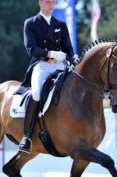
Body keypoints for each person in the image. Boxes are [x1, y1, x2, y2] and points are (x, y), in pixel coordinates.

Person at [18, 0, 79, 154]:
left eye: (53, 2)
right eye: (47, 2)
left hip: (60, 64)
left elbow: (68, 48)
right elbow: (31, 49)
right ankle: (26, 137)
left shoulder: (60, 24)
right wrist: (50, 54)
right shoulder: (30, 23)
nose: (51, 5)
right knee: (36, 93)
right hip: (41, 64)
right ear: (40, 3)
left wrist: (74, 57)